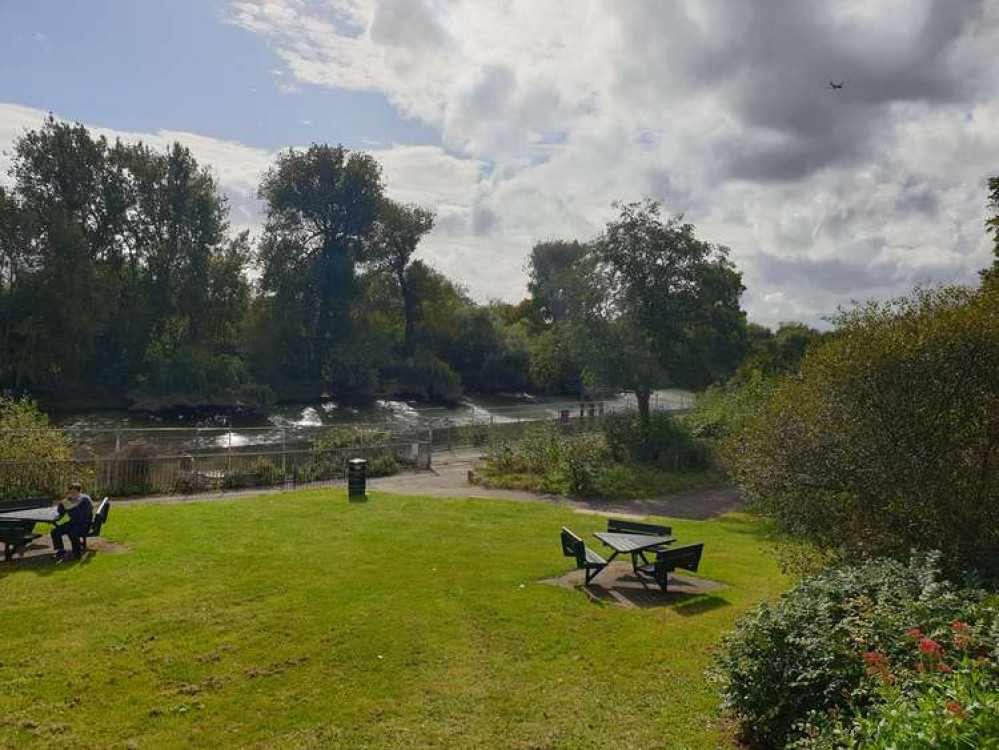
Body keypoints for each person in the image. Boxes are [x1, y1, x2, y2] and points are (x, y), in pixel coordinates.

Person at [51, 482, 93, 561]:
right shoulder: (69, 500)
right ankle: (61, 551)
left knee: (72, 533)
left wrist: (69, 505)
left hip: (84, 523)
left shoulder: (84, 500)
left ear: (79, 492)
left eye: (74, 492)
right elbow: (61, 512)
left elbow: (80, 515)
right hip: (74, 522)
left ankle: (77, 555)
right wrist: (62, 503)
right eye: (71, 492)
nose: (72, 494)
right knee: (55, 532)